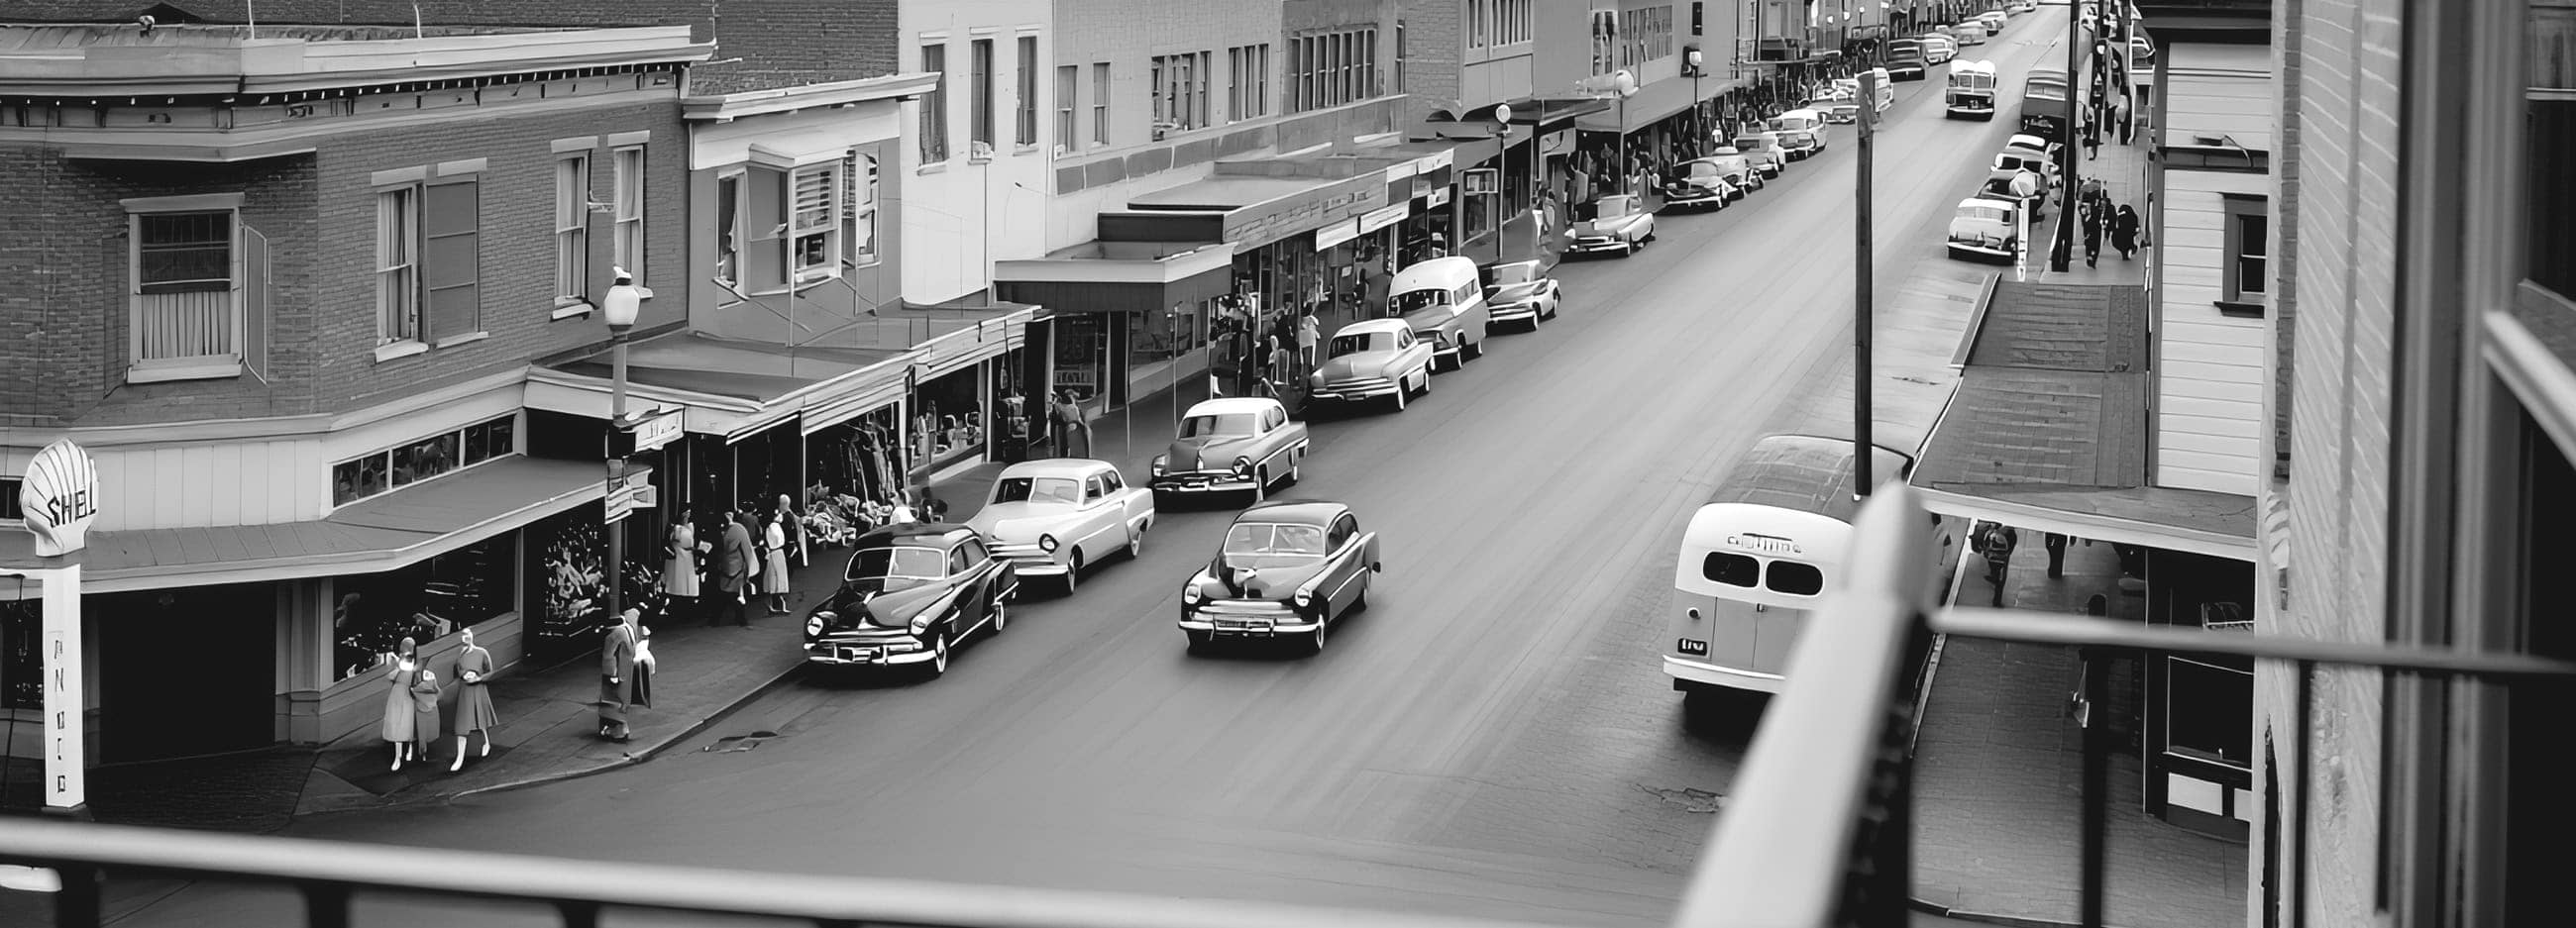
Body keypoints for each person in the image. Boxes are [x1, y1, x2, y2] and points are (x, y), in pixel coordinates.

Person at [448, 627, 499, 772]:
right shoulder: (460, 655)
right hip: (465, 691)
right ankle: (460, 757)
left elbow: (490, 671)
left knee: (480, 719)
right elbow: (457, 671)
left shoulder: (482, 652)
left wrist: (478, 678)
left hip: (478, 690)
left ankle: (486, 743)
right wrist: (464, 675)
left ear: (472, 636)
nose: (466, 637)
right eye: (463, 635)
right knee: (462, 725)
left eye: (468, 634)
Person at [380, 637, 423, 772]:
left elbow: (417, 681)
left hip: (408, 696)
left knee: (408, 724)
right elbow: (390, 676)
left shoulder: (414, 666)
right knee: (397, 725)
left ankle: (410, 749)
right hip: (397, 696)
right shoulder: (399, 664)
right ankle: (398, 756)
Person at [598, 608, 639, 742]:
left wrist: (613, 674)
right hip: (625, 669)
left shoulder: (615, 633)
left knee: (612, 702)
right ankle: (621, 729)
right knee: (620, 701)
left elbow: (609, 653)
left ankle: (617, 731)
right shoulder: (628, 628)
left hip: (614, 670)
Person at [714, 510, 756, 628]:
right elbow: (746, 549)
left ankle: (718, 619)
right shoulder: (738, 530)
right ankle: (740, 619)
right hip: (736, 567)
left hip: (727, 566)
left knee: (726, 594)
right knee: (734, 595)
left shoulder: (726, 532)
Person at [661, 509, 700, 625]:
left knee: (689, 583)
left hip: (689, 557)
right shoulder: (675, 527)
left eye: (688, 513)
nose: (687, 515)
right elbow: (673, 540)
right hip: (678, 557)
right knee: (678, 582)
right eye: (685, 513)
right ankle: (677, 610)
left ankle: (689, 610)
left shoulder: (690, 526)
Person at [407, 659, 441, 766]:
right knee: (420, 731)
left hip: (422, 706)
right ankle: (420, 751)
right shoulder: (421, 675)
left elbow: (434, 690)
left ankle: (421, 752)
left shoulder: (426, 675)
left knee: (422, 731)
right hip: (421, 707)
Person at [763, 511, 793, 615]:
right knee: (777, 578)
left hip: (776, 552)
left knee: (775, 578)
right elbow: (778, 539)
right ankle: (776, 605)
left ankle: (775, 605)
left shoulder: (773, 526)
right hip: (776, 552)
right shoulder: (773, 526)